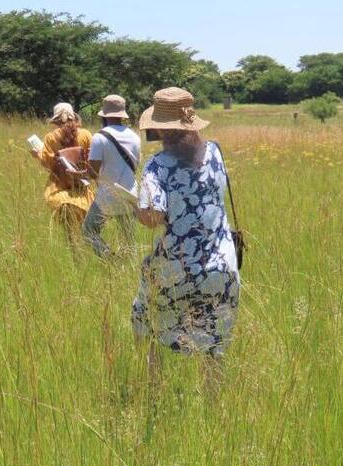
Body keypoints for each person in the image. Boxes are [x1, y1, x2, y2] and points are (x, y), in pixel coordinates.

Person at [132, 87, 240, 390]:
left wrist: (135, 207)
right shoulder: (216, 151)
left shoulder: (157, 166)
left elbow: (151, 217)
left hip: (176, 268)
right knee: (215, 340)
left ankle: (152, 394)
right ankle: (214, 408)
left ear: (160, 130)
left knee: (146, 321)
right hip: (223, 266)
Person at [82, 94, 141, 258]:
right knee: (128, 239)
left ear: (104, 116)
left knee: (88, 231)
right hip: (129, 194)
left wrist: (79, 172)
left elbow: (93, 172)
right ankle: (128, 268)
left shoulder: (99, 138)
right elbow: (135, 166)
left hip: (107, 196)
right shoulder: (135, 137)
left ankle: (109, 257)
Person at [30, 103, 94, 247]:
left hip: (60, 190)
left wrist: (38, 155)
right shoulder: (86, 134)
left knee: (69, 231)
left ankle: (75, 254)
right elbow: (92, 161)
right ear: (73, 117)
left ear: (57, 120)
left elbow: (49, 165)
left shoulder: (50, 138)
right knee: (85, 229)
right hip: (82, 189)